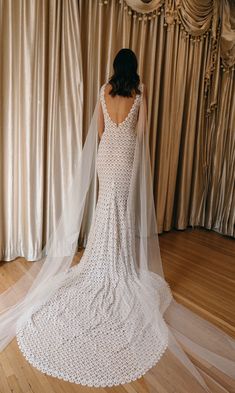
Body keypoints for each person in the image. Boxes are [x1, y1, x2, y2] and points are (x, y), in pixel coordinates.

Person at [1, 48, 235, 391]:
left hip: (106, 154)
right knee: (119, 209)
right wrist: (128, 139)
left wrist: (112, 135)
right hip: (124, 156)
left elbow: (98, 131)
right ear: (135, 69)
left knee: (104, 208)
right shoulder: (139, 92)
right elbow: (141, 134)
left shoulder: (103, 90)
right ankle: (117, 263)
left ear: (114, 68)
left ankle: (103, 259)